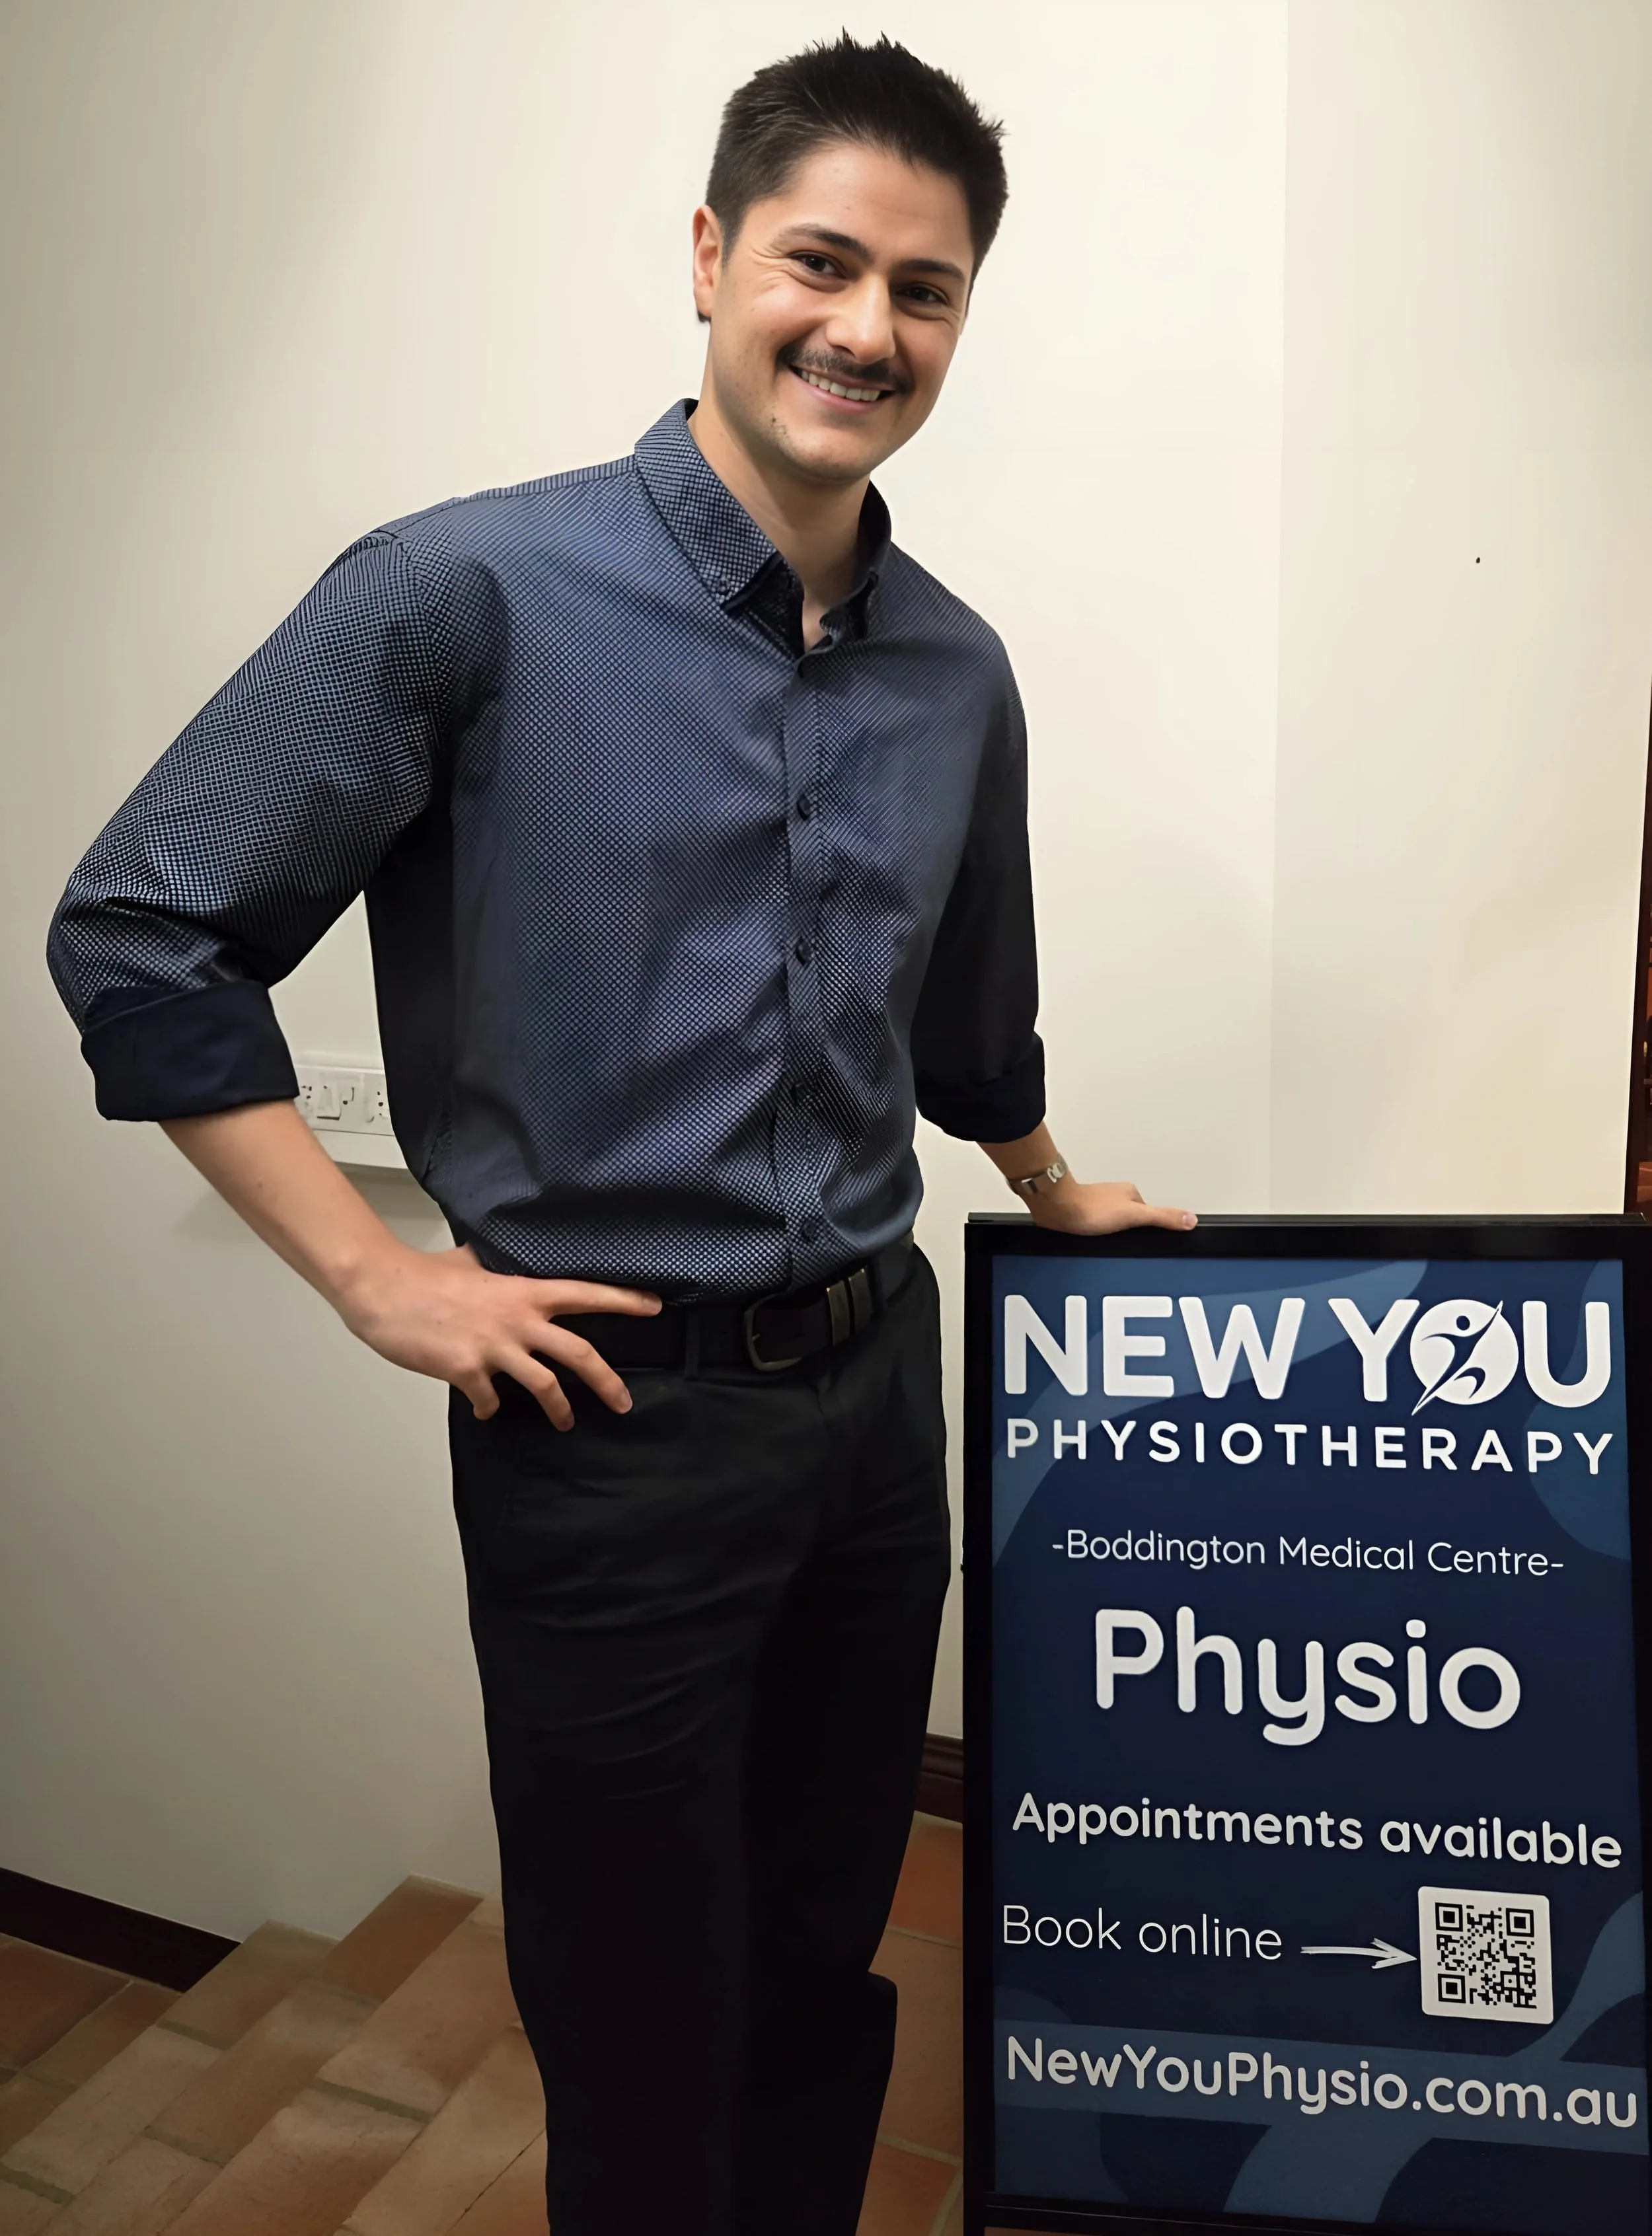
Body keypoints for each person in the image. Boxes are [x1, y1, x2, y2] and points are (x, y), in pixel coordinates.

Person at [46, 32, 1193, 2236]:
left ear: (966, 317)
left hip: (875, 1416)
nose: (867, 327)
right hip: (609, 1424)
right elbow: (143, 926)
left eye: (926, 289)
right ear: (707, 255)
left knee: (817, 1960)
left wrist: (1055, 1192)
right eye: (820, 262)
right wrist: (377, 1272)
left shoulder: (959, 671)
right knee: (639, 2004)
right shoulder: (460, 593)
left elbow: (971, 1018)